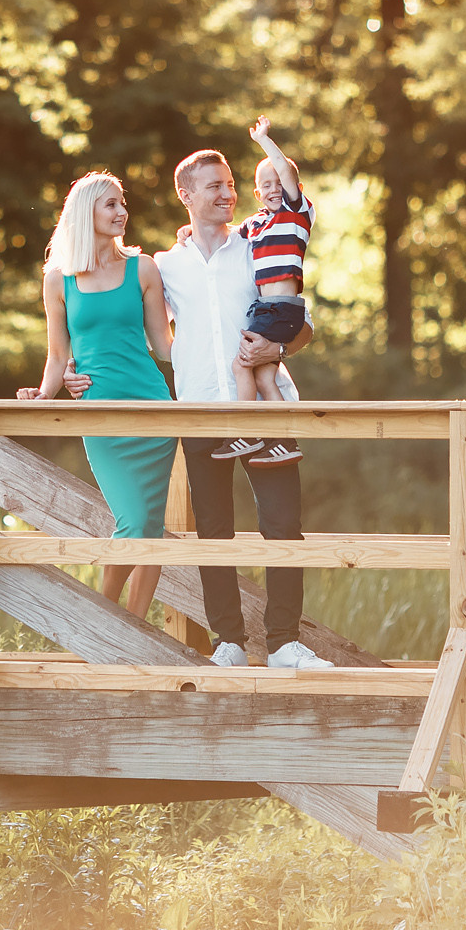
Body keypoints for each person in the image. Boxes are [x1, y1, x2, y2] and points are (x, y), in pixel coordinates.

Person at [159, 142, 327, 669]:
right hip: (199, 411)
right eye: (215, 186)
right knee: (214, 531)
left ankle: (284, 643)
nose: (228, 194)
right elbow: (126, 327)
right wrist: (75, 371)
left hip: (265, 410)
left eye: (232, 184)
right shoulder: (164, 266)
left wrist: (278, 348)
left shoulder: (256, 241)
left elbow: (301, 323)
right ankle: (227, 640)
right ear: (186, 195)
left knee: (283, 525)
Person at [23, 171, 175, 617]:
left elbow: (165, 347)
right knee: (131, 521)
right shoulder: (58, 279)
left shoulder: (142, 268)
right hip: (100, 414)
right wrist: (44, 395)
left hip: (154, 408)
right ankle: (106, 622)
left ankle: (134, 627)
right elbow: (56, 356)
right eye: (110, 204)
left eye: (122, 203)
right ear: (85, 211)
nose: (121, 211)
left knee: (151, 526)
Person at [209, 116, 313, 466]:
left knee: (241, 366)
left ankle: (244, 432)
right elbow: (222, 237)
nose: (272, 189)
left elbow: (284, 171)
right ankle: (285, 441)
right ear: (256, 193)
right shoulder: (254, 224)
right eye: (264, 185)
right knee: (265, 375)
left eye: (278, 182)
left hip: (281, 307)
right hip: (264, 309)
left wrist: (264, 141)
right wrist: (186, 233)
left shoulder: (296, 213)